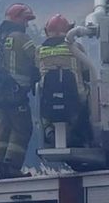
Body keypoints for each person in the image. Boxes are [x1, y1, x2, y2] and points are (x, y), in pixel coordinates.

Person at [0, 3, 41, 179]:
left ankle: (1, 165)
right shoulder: (22, 39)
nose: (27, 24)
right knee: (22, 128)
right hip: (16, 95)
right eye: (26, 20)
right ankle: (12, 166)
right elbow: (39, 60)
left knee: (1, 128)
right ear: (17, 19)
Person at [37, 14, 96, 148]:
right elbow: (87, 73)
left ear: (47, 31)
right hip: (75, 96)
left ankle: (48, 130)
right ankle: (85, 136)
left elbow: (36, 72)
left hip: (48, 98)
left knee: (43, 109)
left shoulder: (39, 50)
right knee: (90, 98)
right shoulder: (76, 47)